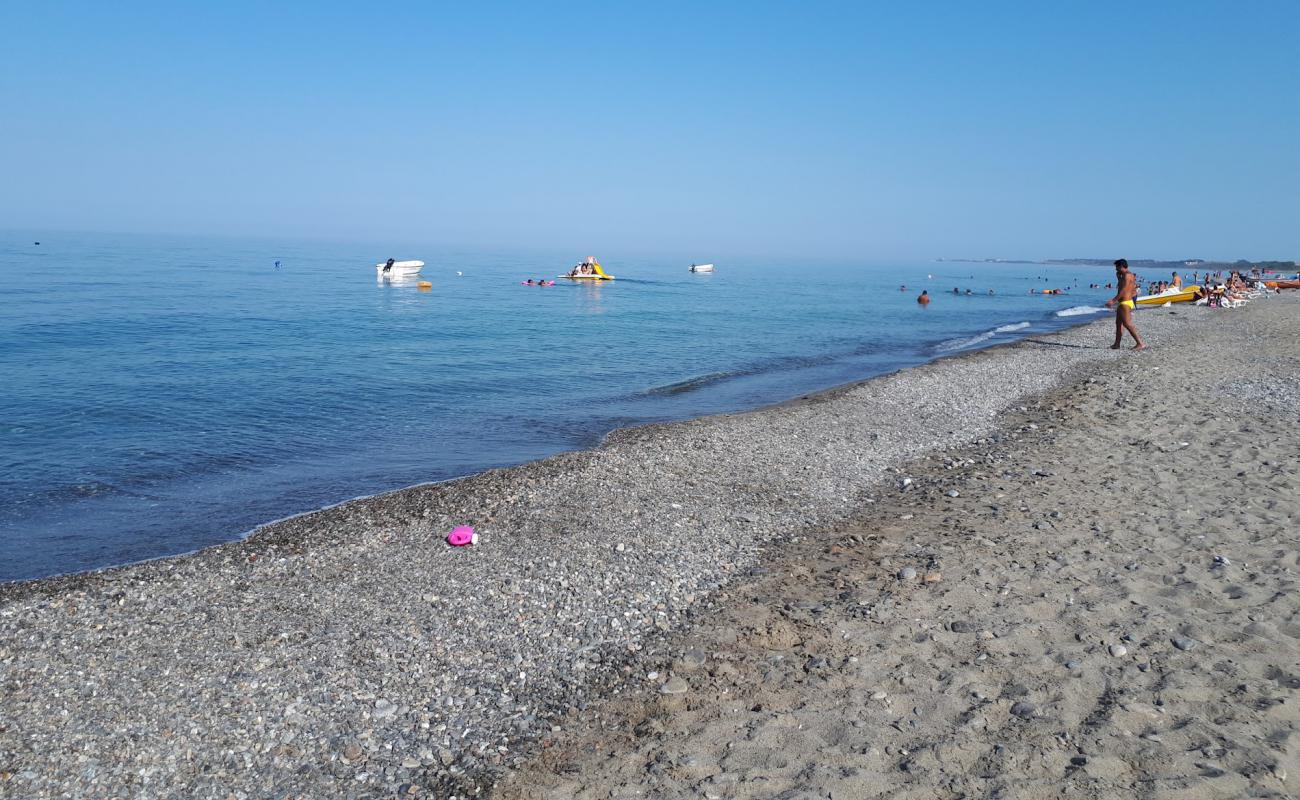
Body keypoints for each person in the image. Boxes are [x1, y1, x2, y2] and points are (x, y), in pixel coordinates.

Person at [1104, 258, 1146, 350]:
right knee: (1118, 323)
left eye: (1117, 267)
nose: (1115, 269)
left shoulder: (1128, 275)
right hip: (1123, 302)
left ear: (1121, 266)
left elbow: (1124, 289)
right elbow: (1121, 286)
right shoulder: (1123, 275)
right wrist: (1119, 277)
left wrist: (1113, 300)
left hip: (1125, 302)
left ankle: (1140, 343)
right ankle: (1117, 344)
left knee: (1127, 324)